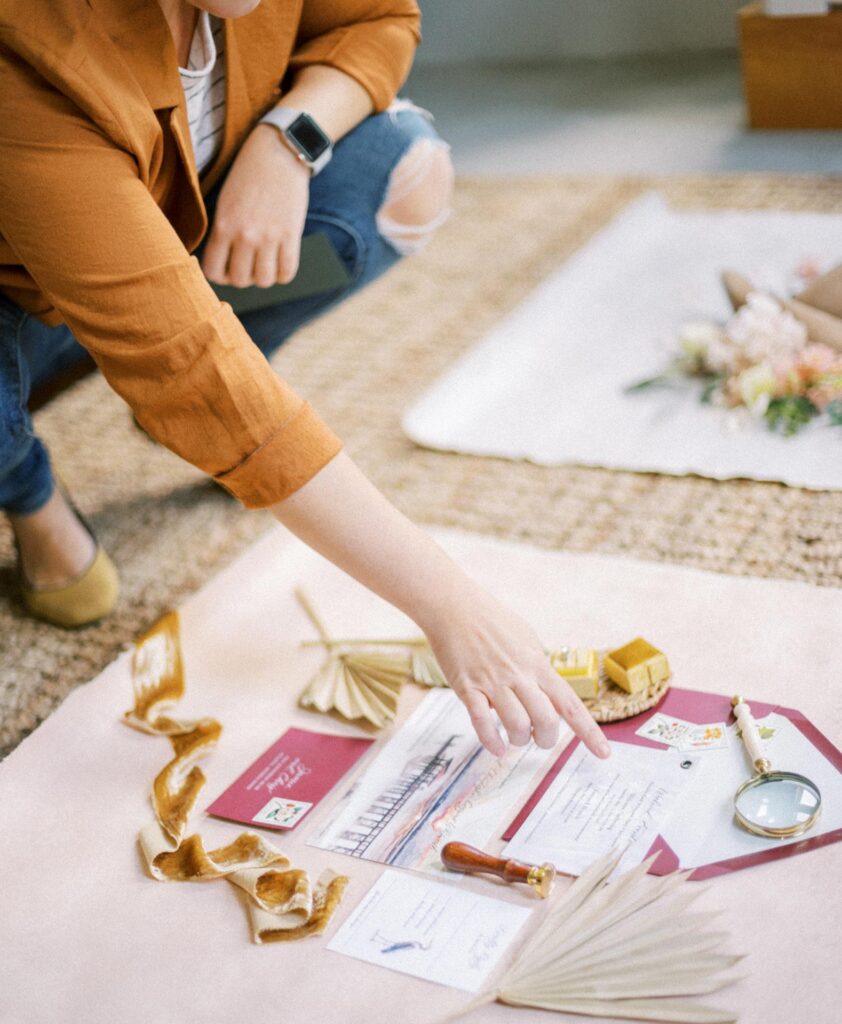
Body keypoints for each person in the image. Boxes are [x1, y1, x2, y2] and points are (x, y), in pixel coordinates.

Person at [0, 0, 610, 762]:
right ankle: (28, 493)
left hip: (169, 231)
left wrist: (290, 138)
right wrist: (448, 601)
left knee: (402, 167)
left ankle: (207, 427)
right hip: (21, 305)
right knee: (168, 385)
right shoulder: (26, 51)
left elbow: (381, 17)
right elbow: (184, 360)